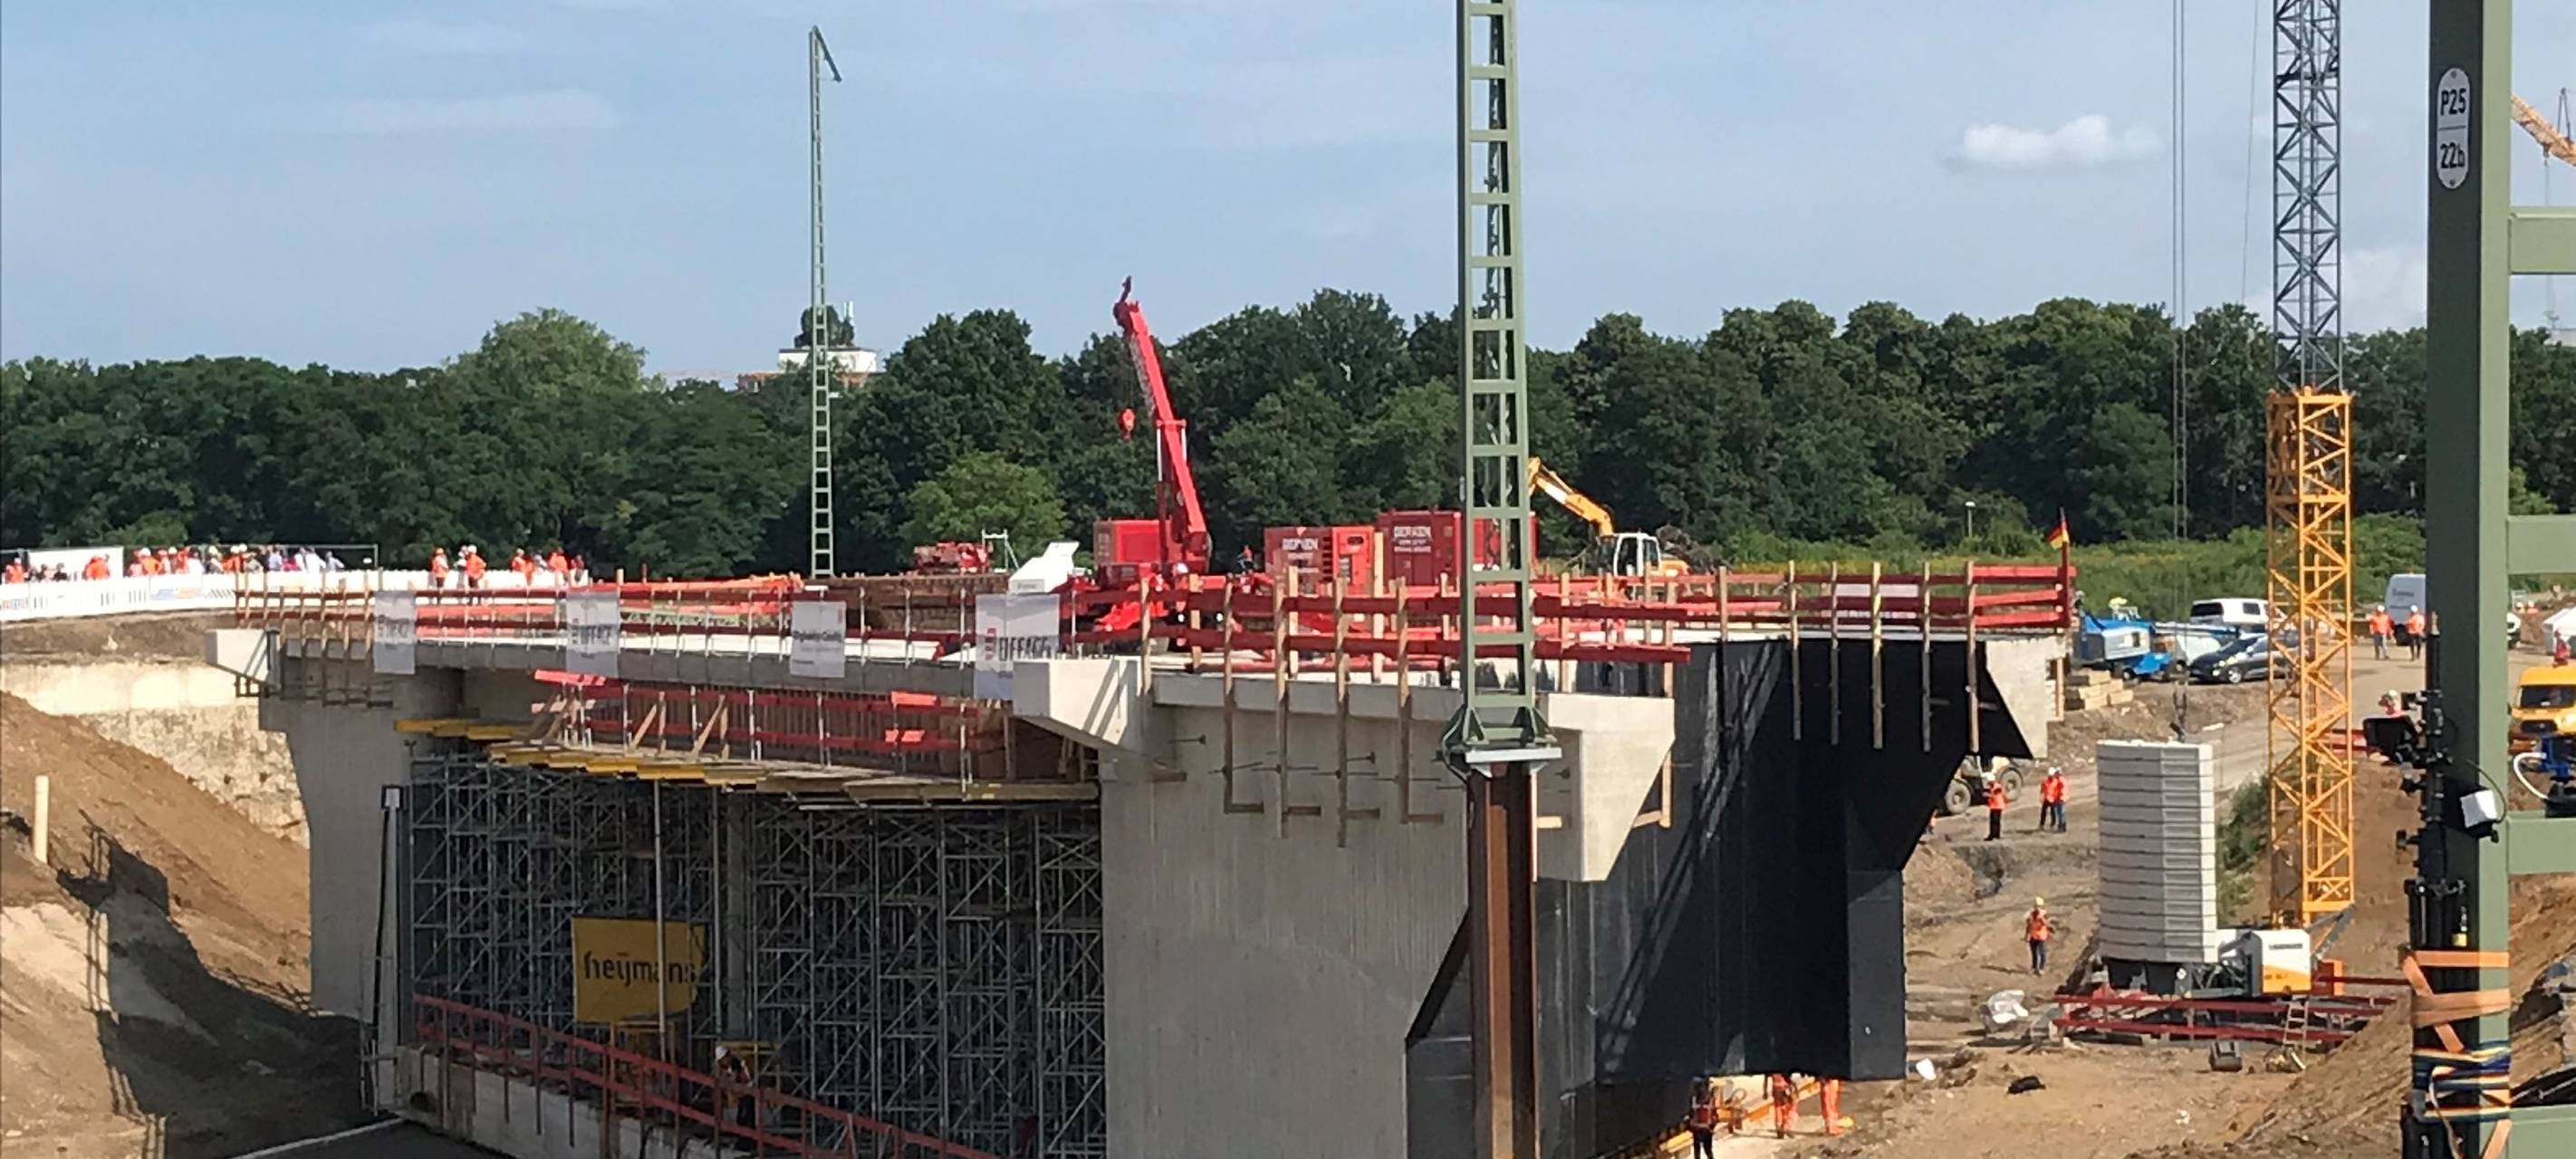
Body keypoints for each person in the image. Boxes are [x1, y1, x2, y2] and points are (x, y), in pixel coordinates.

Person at [714, 1045, 756, 1132]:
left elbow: (734, 1078)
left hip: (746, 1091)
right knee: (743, 1118)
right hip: (743, 1093)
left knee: (745, 1118)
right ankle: (747, 1139)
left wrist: (724, 1082)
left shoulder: (735, 1063)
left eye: (722, 1060)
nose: (722, 1063)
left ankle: (747, 1140)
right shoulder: (734, 1063)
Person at [1687, 1078, 1719, 1158]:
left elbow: (1713, 1114)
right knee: (1703, 1150)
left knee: (1704, 1150)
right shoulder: (1699, 1099)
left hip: (1702, 1128)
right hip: (1701, 1128)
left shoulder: (1705, 1099)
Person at [2025, 897, 2059, 974]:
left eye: (2039, 906)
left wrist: (2041, 918)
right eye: (2036, 906)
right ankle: (2034, 967)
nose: (2037, 908)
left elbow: (2046, 924)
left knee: (2042, 952)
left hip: (2041, 936)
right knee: (2034, 953)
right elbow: (2029, 925)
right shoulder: (2031, 914)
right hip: (2033, 936)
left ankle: (2041, 968)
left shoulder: (2044, 914)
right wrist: (2027, 935)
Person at [2038, 766, 2068, 833]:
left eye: (2052, 775)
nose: (2051, 777)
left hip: (2054, 799)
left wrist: (2058, 797)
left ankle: (2054, 824)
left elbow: (2060, 790)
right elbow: (2042, 789)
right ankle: (2042, 825)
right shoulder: (2046, 781)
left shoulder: (2057, 781)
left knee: (2054, 813)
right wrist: (2041, 796)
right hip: (2047, 799)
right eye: (2050, 776)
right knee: (2044, 812)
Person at [1770, 1073, 1797, 1138]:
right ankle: (1788, 1126)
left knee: (1778, 1107)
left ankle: (1779, 1127)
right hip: (1785, 1087)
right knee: (1792, 1106)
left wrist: (1765, 1090)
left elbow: (1766, 1076)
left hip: (1775, 1087)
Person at [1985, 775, 2008, 842]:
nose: (1988, 784)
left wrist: (1988, 795)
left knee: (1995, 822)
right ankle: (1995, 835)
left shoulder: (1997, 787)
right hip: (1994, 806)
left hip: (1997, 807)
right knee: (1994, 821)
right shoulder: (1994, 787)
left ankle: (1993, 835)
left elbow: (1995, 795)